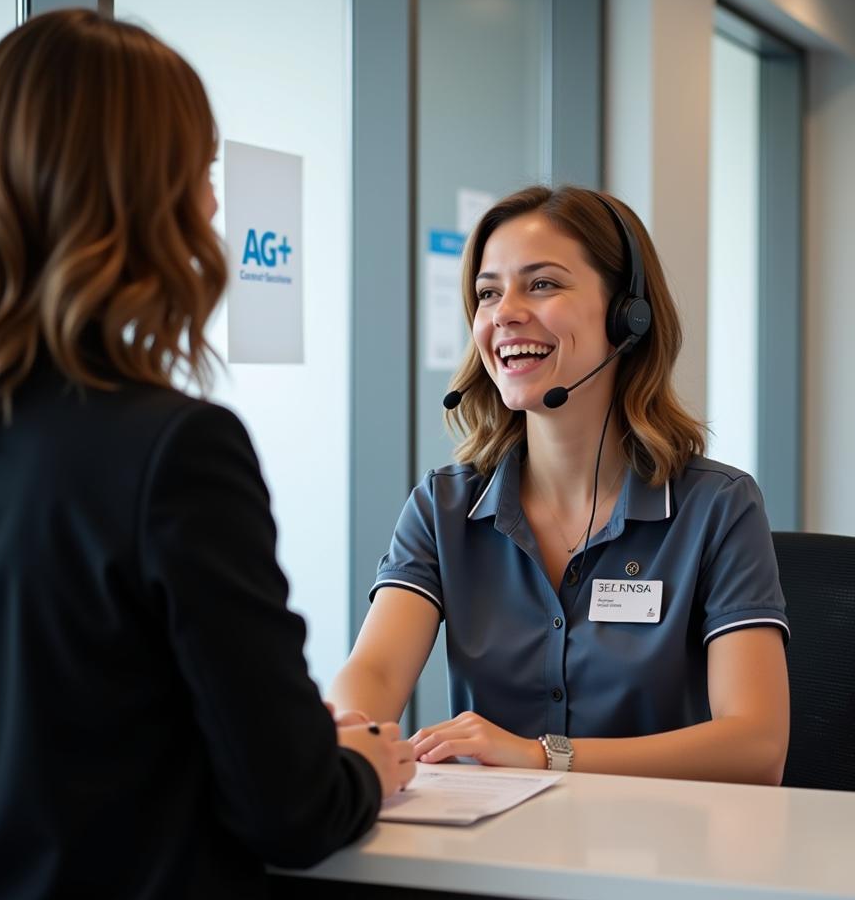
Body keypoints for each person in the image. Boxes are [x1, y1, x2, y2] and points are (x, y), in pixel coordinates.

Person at [0, 10, 414, 900]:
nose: (214, 210)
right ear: (141, 196)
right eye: (197, 174)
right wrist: (361, 770)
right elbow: (289, 808)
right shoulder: (173, 451)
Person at [330, 184, 789, 783]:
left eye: (542, 284)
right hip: (491, 848)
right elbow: (377, 673)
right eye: (488, 292)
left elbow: (756, 747)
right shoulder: (444, 506)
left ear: (628, 314)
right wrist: (347, 730)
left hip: (661, 849)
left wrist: (545, 756)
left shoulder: (716, 508)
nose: (505, 313)